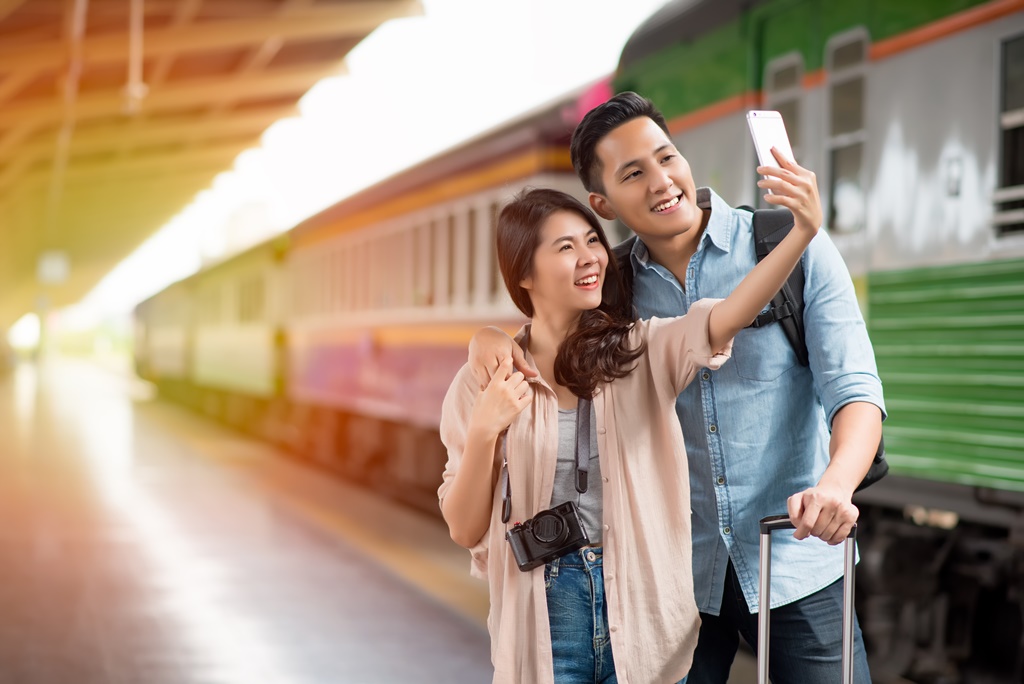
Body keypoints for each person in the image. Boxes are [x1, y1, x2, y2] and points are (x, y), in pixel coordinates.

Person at [468, 92, 885, 684]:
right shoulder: (606, 288)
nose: (662, 181)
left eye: (667, 158)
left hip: (796, 559)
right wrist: (485, 339)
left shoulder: (789, 245)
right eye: (633, 173)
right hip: (664, 580)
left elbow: (856, 391)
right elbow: (541, 338)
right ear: (602, 202)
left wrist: (837, 487)